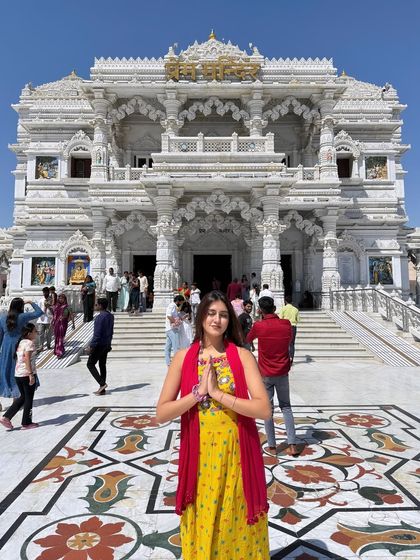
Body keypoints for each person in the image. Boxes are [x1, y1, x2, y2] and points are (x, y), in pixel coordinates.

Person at [156, 290, 271, 559]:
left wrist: (218, 394)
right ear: (200, 317)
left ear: (230, 320)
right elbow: (162, 413)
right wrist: (197, 395)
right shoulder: (183, 358)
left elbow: (263, 409)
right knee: (205, 520)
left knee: (236, 520)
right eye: (210, 313)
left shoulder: (242, 357)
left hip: (236, 455)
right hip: (199, 457)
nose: (216, 320)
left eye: (222, 315)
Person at [246, 296, 298, 456]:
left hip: (266, 373)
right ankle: (292, 444)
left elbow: (247, 339)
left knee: (268, 409)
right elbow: (289, 340)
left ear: (260, 310)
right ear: (275, 309)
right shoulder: (286, 324)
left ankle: (272, 446)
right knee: (286, 407)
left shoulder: (259, 326)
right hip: (282, 371)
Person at [0, 299, 43, 409]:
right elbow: (39, 312)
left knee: (5, 371)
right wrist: (30, 302)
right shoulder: (23, 317)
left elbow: (0, 335)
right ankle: (16, 400)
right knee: (18, 371)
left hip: (6, 347)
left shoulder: (2, 317)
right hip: (19, 346)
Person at [0, 323, 39, 430]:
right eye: (35, 331)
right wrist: (31, 375)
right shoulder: (30, 343)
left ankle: (6, 417)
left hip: (18, 374)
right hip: (27, 374)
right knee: (28, 399)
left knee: (23, 397)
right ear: (29, 333)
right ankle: (26, 423)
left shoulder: (21, 342)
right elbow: (27, 359)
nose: (36, 333)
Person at [87, 297, 114, 395]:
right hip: (106, 343)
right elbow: (111, 332)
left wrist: (91, 346)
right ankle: (102, 389)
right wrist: (109, 344)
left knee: (90, 364)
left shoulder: (99, 317)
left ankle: (102, 384)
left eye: (96, 304)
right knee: (102, 364)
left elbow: (97, 334)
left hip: (99, 344)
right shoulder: (110, 316)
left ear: (100, 305)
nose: (95, 306)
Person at [280, 295, 300, 364]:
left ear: (285, 301)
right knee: (291, 343)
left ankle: (285, 359)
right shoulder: (295, 309)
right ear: (292, 302)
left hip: (285, 327)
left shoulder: (283, 308)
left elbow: (280, 318)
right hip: (293, 327)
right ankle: (291, 358)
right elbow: (298, 320)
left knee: (284, 343)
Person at [165, 295, 184, 366]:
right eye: (181, 302)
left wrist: (180, 318)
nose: (181, 304)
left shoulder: (174, 306)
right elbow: (169, 316)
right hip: (172, 329)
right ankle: (176, 363)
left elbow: (174, 316)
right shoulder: (172, 306)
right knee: (175, 346)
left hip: (169, 329)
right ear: (178, 301)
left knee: (168, 347)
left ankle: (168, 363)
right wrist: (175, 322)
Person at [52, 293, 70, 359]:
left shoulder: (66, 306)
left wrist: (73, 324)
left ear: (65, 299)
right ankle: (57, 350)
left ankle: (60, 352)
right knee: (56, 338)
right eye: (59, 298)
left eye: (62, 298)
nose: (60, 299)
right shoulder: (56, 306)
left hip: (63, 325)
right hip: (56, 324)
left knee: (60, 338)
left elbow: (69, 315)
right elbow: (54, 315)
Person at [36, 287, 53, 352]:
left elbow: (54, 309)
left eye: (47, 292)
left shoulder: (51, 300)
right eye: (44, 292)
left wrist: (49, 306)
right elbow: (38, 309)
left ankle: (48, 345)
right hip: (41, 319)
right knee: (41, 334)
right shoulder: (40, 300)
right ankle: (41, 346)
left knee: (49, 334)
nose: (45, 293)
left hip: (49, 319)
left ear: (49, 292)